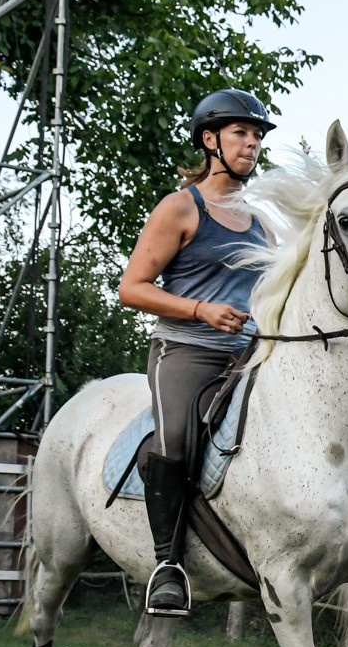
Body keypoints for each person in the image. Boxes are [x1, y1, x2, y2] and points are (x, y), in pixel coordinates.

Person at [118, 88, 276, 615]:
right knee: (179, 442)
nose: (251, 143)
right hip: (184, 350)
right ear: (210, 140)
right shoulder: (181, 206)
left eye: (256, 135)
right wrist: (200, 310)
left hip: (245, 354)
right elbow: (132, 288)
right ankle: (167, 566)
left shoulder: (261, 223)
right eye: (241, 133)